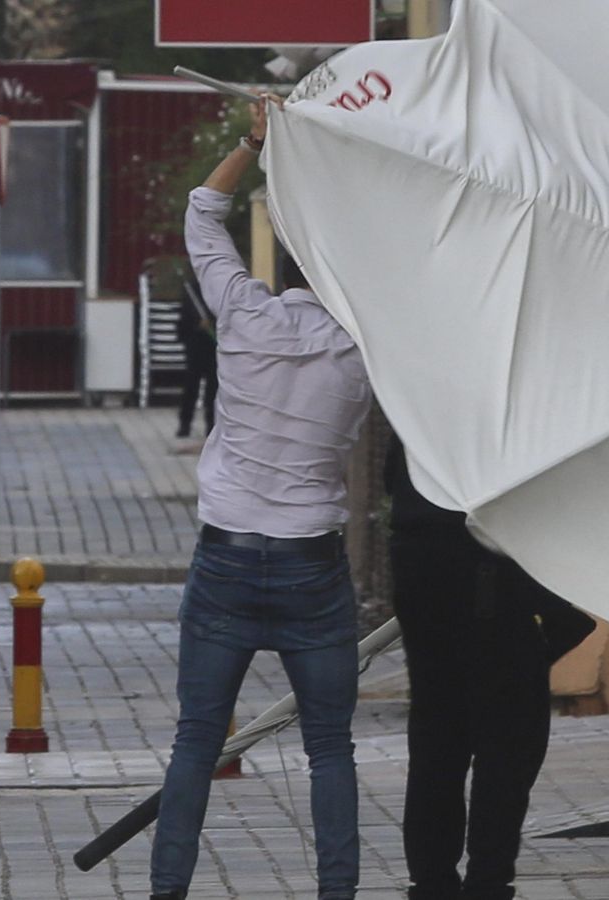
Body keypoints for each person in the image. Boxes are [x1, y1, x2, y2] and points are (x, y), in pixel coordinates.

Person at [149, 95, 372, 900]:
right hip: (314, 568)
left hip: (228, 560)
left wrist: (254, 141)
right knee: (331, 749)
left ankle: (167, 890)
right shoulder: (363, 345)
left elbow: (202, 215)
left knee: (195, 741)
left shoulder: (242, 315)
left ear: (286, 267)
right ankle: (336, 892)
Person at [385, 436, 595, 900]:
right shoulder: (495, 401)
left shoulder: (417, 395)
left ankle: (434, 882)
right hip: (488, 574)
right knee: (507, 745)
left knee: (438, 739)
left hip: (422, 570)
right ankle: (486, 881)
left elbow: (392, 475)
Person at [174, 281, 217, 439]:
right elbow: (183, 323)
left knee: (213, 389)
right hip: (195, 346)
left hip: (213, 348)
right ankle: (185, 424)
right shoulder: (191, 291)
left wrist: (211, 322)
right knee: (191, 387)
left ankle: (211, 425)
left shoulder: (217, 290)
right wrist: (197, 325)